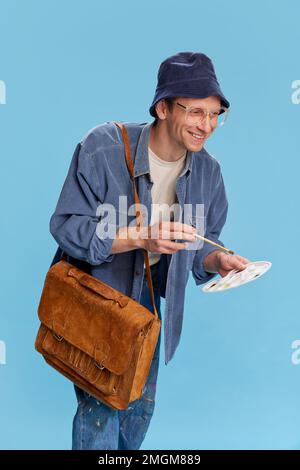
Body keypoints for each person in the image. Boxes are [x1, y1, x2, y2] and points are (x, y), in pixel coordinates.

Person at [49, 51, 250, 450]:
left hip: (149, 305)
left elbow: (198, 249)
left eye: (214, 115)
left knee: (138, 410)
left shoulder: (209, 172)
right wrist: (142, 236)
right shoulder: (102, 147)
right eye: (195, 112)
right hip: (98, 294)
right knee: (101, 408)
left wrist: (218, 260)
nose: (206, 125)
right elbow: (67, 227)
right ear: (162, 107)